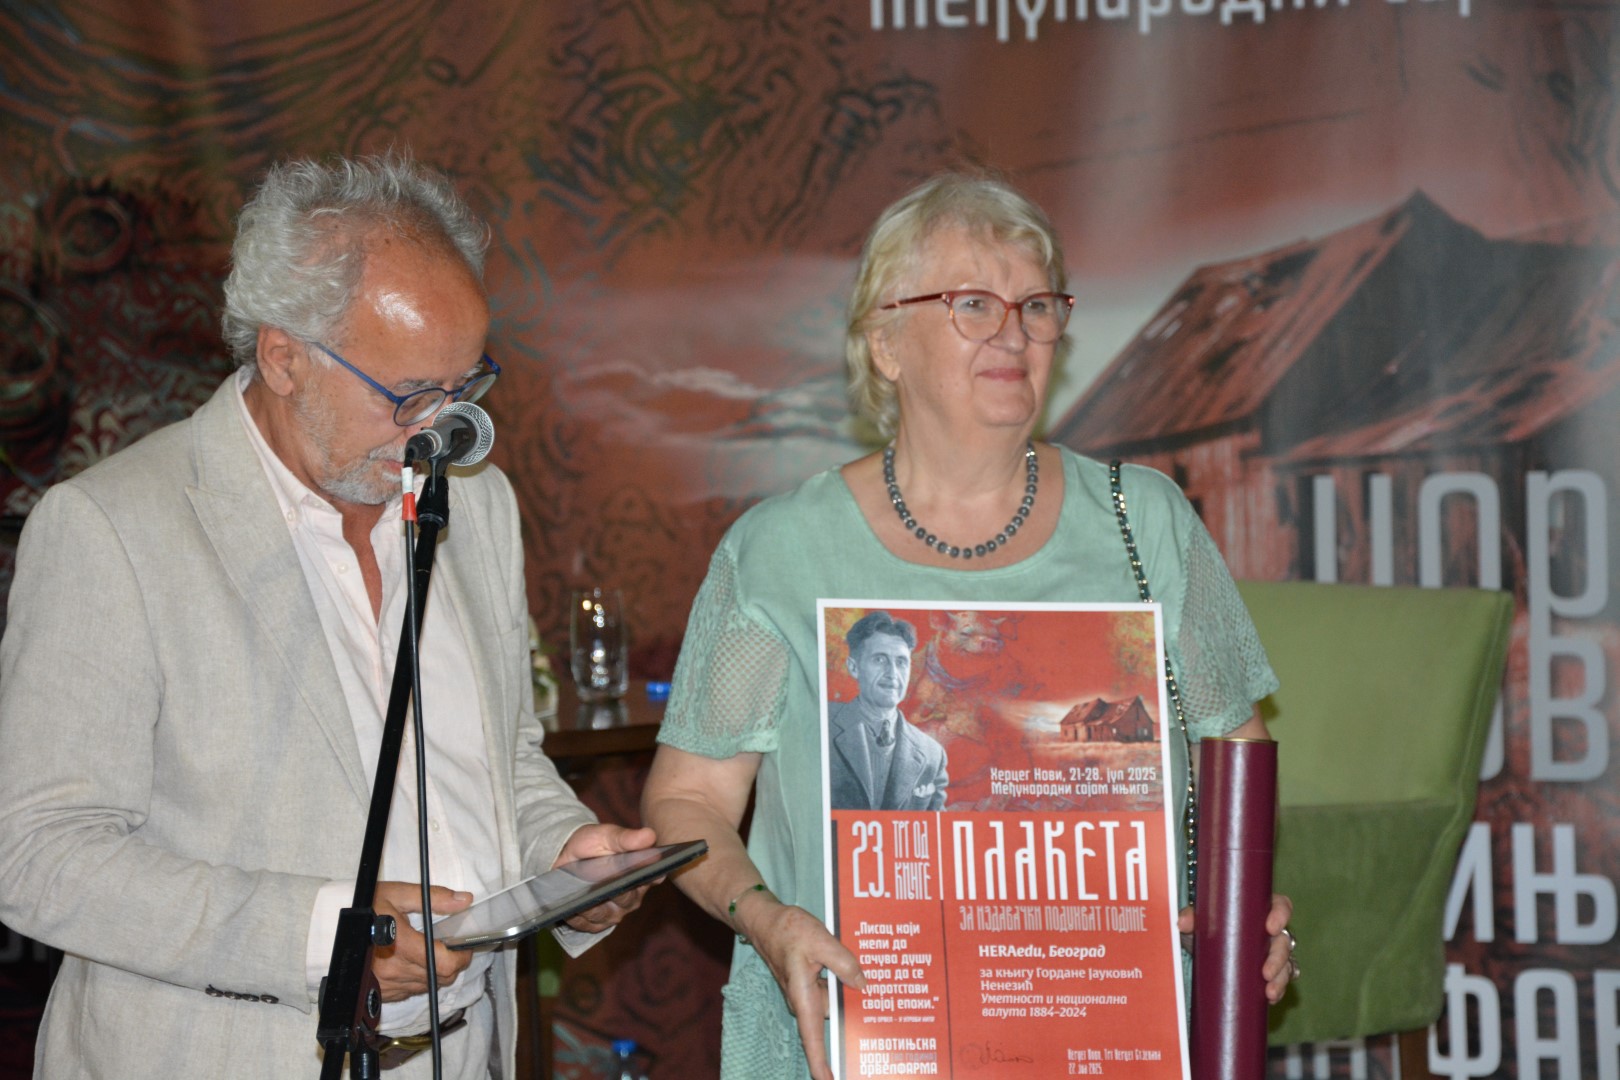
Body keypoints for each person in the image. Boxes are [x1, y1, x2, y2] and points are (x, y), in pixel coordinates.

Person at [0, 154, 658, 1079]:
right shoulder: (112, 529)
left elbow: (501, 758)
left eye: (466, 386)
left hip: (462, 1052)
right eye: (408, 395)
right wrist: (331, 936)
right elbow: (38, 857)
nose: (440, 429)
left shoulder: (478, 503)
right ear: (283, 357)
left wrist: (563, 853)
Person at [641, 170, 1299, 1080]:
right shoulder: (779, 550)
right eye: (975, 304)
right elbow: (687, 803)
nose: (1014, 333)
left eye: (1037, 306)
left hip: (1108, 1032)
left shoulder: (1145, 522)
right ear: (885, 343)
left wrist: (1244, 913)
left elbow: (1239, 762)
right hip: (859, 1036)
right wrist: (767, 918)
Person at [827, 610, 947, 811]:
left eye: (901, 662)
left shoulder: (932, 755)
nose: (892, 674)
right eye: (880, 660)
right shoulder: (821, 724)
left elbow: (939, 827)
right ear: (854, 667)